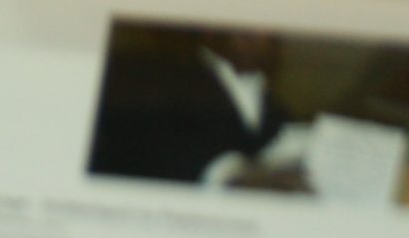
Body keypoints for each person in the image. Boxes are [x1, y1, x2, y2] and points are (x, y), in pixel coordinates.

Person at [87, 26, 312, 191]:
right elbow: (139, 140)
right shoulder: (155, 70)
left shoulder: (280, 113)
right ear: (209, 30)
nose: (256, 31)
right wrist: (231, 176)